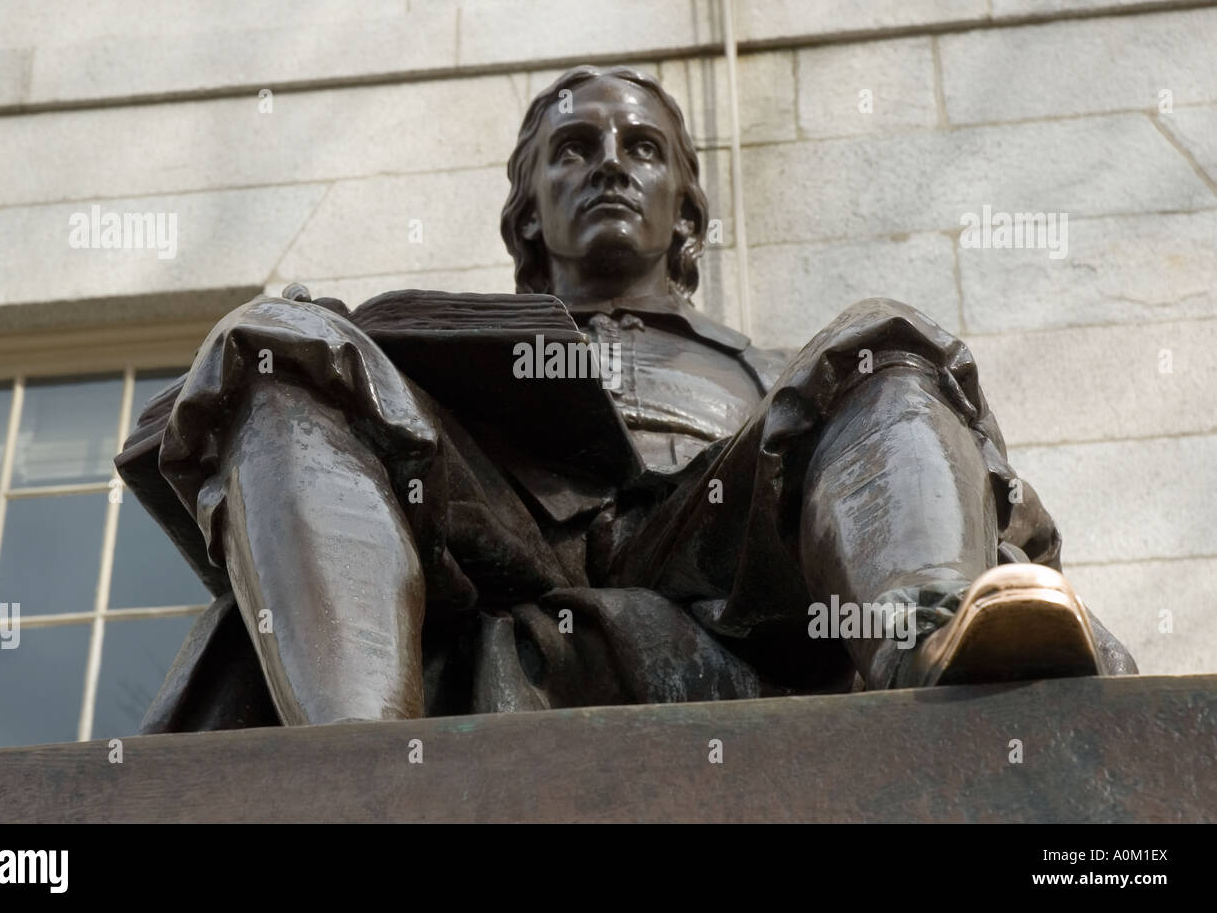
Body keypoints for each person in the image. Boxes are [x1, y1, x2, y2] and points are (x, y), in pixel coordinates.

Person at [134, 66, 1135, 732]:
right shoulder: (432, 349)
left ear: (684, 209)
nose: (610, 161)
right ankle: (351, 763)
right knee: (274, 341)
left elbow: (987, 498)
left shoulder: (789, 372)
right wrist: (321, 352)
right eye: (573, 148)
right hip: (502, 535)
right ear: (528, 213)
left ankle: (930, 644)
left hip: (721, 546)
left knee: (883, 345)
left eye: (641, 148)